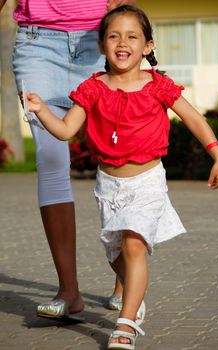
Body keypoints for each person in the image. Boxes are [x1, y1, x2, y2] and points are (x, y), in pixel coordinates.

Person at [24, 4, 218, 349]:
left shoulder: (158, 86)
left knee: (134, 247)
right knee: (115, 255)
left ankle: (126, 325)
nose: (122, 42)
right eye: (113, 36)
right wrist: (42, 111)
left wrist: (217, 153)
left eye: (132, 36)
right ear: (101, 45)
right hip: (109, 186)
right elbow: (67, 130)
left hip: (146, 182)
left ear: (147, 45)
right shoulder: (93, 88)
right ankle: (135, 292)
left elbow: (193, 118)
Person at [0, 0, 139, 319]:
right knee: (50, 160)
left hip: (101, 39)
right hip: (37, 43)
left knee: (118, 158)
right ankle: (69, 291)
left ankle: (124, 276)